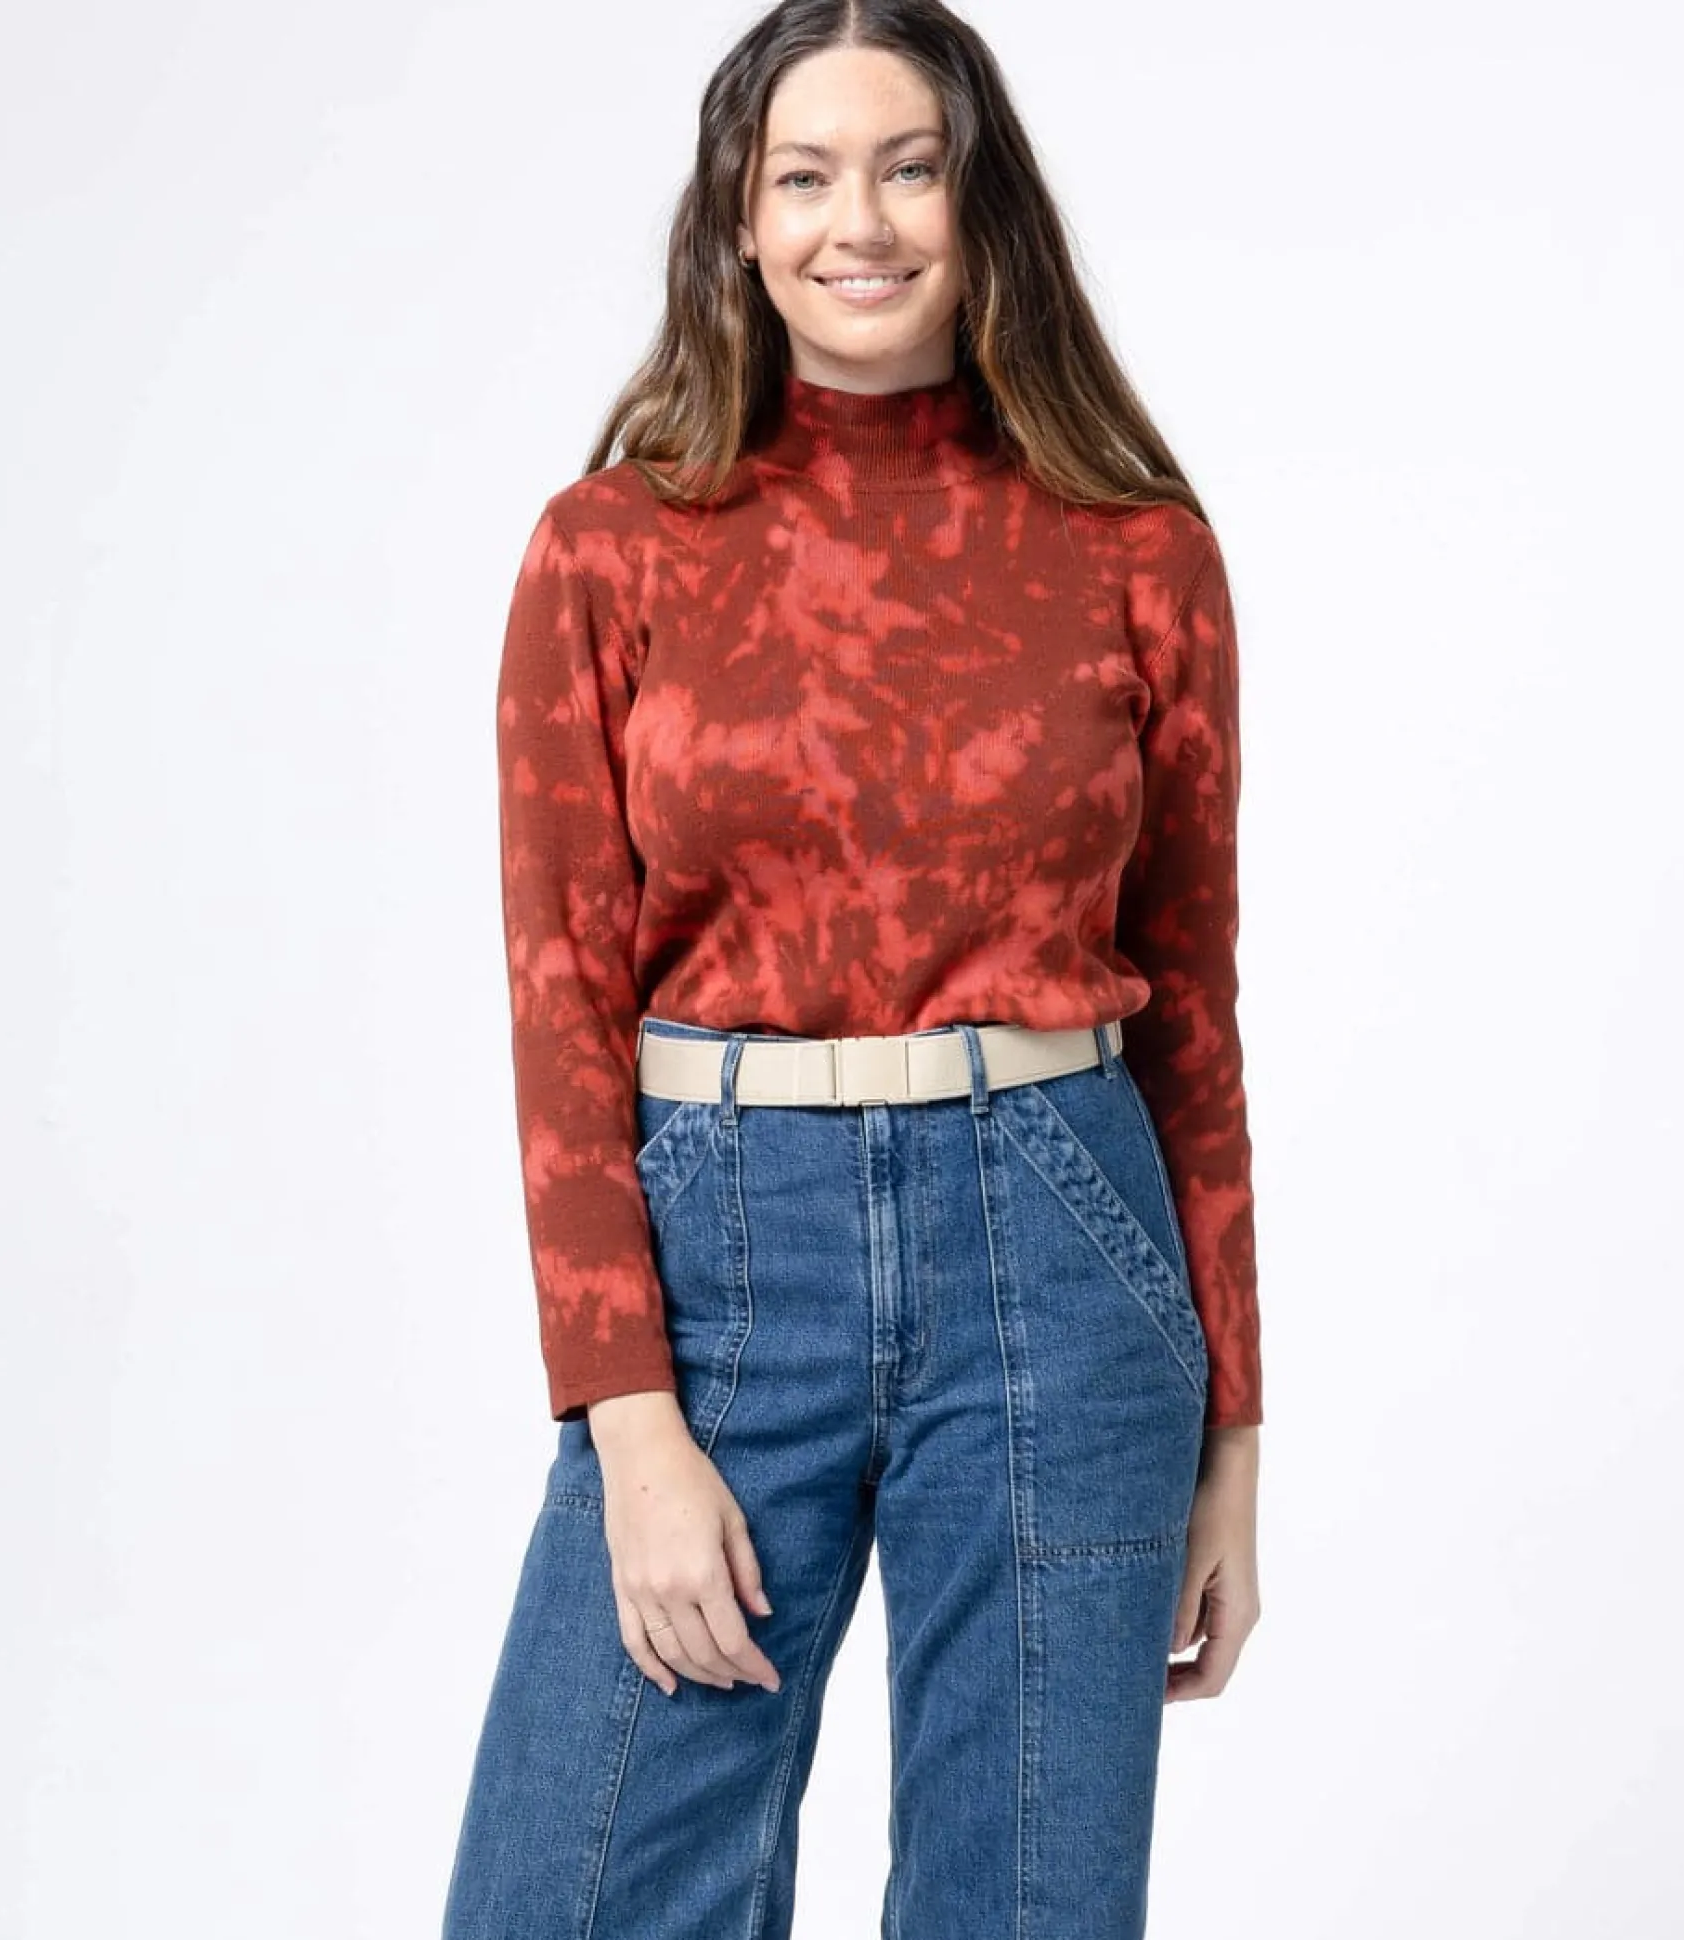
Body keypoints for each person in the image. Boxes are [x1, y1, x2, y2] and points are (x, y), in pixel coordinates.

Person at [442, 3, 1263, 1934]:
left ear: (984, 207)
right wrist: (625, 1417)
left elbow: (1195, 999)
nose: (859, 223)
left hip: (1062, 1246)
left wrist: (1233, 1433)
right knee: (568, 1893)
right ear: (738, 220)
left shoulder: (1133, 548)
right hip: (724, 1258)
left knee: (1023, 1906)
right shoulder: (613, 549)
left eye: (910, 168)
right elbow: (563, 1005)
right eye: (803, 177)